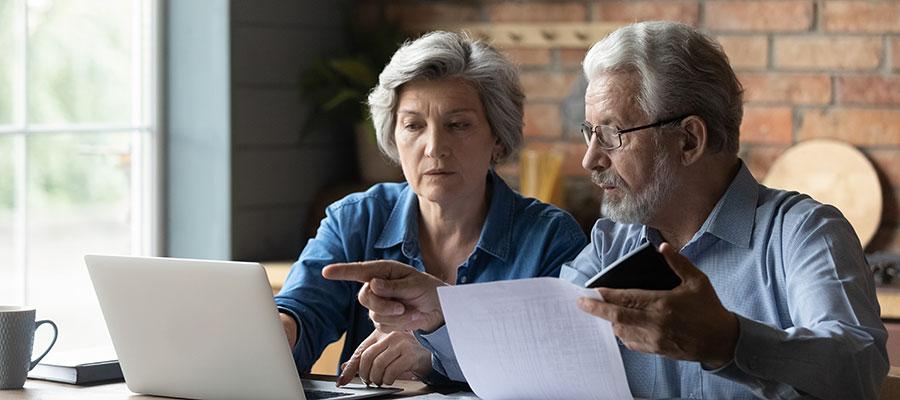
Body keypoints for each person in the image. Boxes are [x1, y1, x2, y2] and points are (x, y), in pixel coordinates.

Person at [325, 21, 889, 399]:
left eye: (613, 135)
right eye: (589, 132)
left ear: (688, 140)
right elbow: (536, 348)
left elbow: (860, 369)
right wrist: (445, 313)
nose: (591, 158)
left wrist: (727, 342)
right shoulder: (612, 243)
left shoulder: (801, 232)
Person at [275, 31, 587, 388]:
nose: (435, 147)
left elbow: (562, 367)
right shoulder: (356, 219)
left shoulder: (550, 239)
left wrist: (437, 353)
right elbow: (303, 310)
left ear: (498, 138)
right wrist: (281, 331)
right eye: (413, 125)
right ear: (393, 137)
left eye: (458, 125)